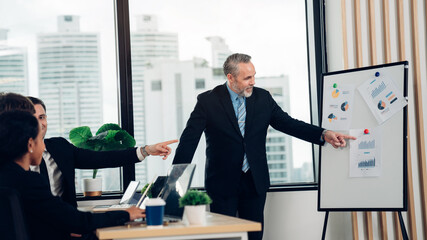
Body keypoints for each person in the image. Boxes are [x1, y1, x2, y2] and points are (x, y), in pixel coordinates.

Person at [172, 53, 356, 240]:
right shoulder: (207, 101)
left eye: (254, 76)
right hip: (221, 184)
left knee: (254, 236)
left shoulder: (263, 98)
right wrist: (175, 182)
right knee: (224, 237)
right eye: (247, 78)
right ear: (230, 77)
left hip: (254, 182)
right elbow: (189, 140)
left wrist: (324, 133)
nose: (253, 81)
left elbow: (289, 124)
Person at [0, 110, 145, 240]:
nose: (44, 146)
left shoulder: (7, 176)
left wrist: (145, 151)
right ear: (30, 144)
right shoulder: (29, 181)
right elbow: (78, 221)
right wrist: (126, 214)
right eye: (40, 140)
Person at [26, 96, 177, 208]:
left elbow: (102, 158)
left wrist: (146, 150)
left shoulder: (60, 147)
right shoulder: (13, 158)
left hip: (66, 225)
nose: (39, 123)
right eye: (32, 118)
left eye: (42, 117)